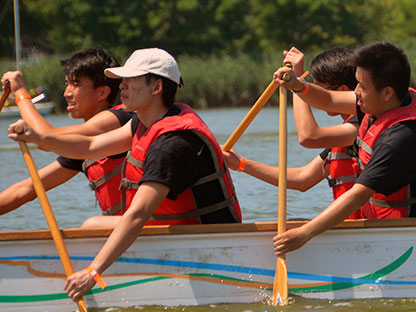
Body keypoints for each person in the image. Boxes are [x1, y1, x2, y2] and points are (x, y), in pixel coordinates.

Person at [8, 48, 241, 302]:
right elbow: (89, 147)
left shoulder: (173, 143)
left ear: (156, 87)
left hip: (208, 239)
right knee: (91, 226)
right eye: (123, 80)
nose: (122, 87)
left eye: (131, 80)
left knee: (95, 227)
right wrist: (39, 139)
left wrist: (92, 272)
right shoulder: (141, 122)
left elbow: (137, 215)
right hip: (176, 229)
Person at [271, 41, 416, 256]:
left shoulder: (401, 138)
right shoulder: (395, 98)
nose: (356, 92)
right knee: (291, 223)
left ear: (386, 92)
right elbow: (329, 99)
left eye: (362, 86)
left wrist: (305, 234)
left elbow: (358, 195)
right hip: (385, 229)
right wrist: (297, 84)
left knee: (299, 229)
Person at [224, 47, 364, 217]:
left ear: (342, 91)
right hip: (349, 228)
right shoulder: (341, 137)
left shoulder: (360, 128)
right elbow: (303, 179)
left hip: (367, 229)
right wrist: (241, 164)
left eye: (318, 89)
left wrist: (297, 83)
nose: (312, 95)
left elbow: (309, 136)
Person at [0, 48, 131, 216]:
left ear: (102, 92)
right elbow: (28, 188)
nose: (67, 93)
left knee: (88, 225)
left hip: (146, 228)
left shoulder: (118, 119)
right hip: (123, 228)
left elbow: (46, 134)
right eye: (67, 84)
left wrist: (20, 93)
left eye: (76, 85)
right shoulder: (80, 147)